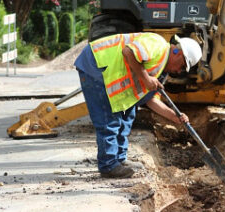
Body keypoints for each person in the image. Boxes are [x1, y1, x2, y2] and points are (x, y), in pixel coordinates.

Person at [74, 32, 202, 178]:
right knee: (108, 119)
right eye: (182, 66)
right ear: (178, 53)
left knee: (128, 115)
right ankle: (108, 165)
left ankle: (119, 159)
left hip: (108, 75)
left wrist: (174, 117)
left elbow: (151, 100)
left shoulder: (161, 69)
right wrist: (146, 78)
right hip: (97, 65)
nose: (178, 71)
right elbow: (128, 52)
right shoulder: (157, 45)